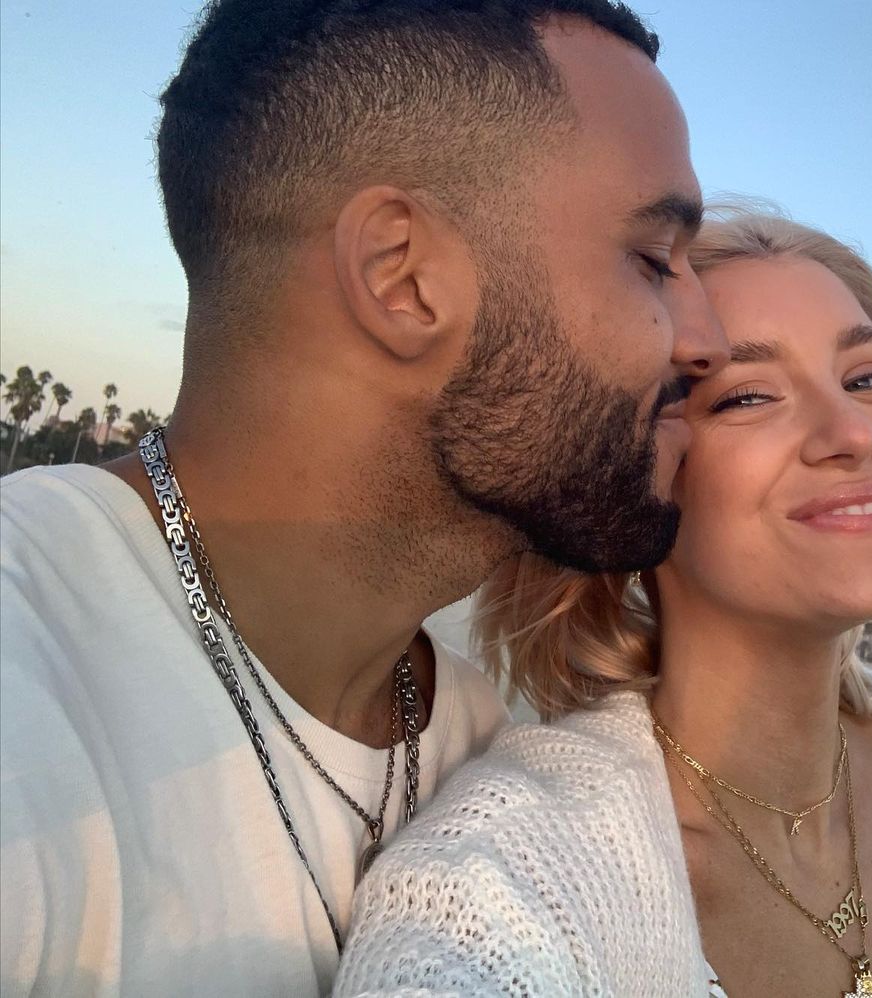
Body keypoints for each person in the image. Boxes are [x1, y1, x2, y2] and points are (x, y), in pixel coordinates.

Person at [0, 2, 729, 994]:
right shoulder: (30, 705)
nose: (707, 341)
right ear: (403, 278)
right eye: (653, 260)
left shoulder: (483, 750)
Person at [332, 209, 872, 998]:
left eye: (869, 378)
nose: (856, 433)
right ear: (636, 482)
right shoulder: (498, 888)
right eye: (749, 396)